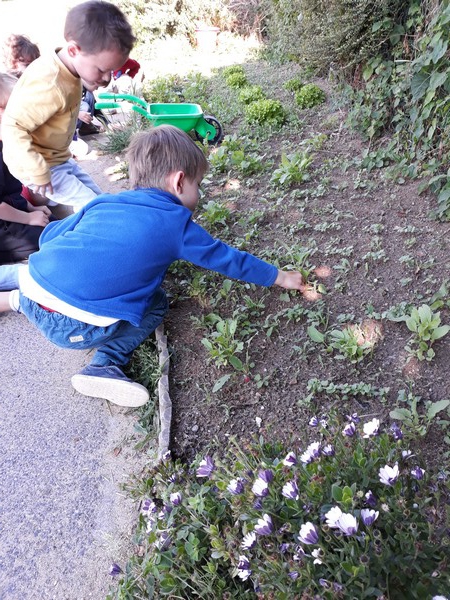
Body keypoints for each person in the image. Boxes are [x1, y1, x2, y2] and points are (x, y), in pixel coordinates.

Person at [0, 125, 307, 408]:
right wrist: (278, 276)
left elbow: (52, 234)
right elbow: (229, 260)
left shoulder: (104, 203)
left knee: (39, 282)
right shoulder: (176, 225)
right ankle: (105, 364)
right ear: (179, 182)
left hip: (36, 284)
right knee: (156, 302)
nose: (198, 194)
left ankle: (13, 297)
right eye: (197, 185)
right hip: (73, 328)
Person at [1, 1, 135, 213]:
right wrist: (38, 172)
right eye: (102, 70)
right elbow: (12, 127)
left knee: (100, 200)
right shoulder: (49, 83)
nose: (107, 79)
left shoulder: (71, 67)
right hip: (37, 163)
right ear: (74, 50)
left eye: (111, 71)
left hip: (58, 158)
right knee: (92, 207)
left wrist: (92, 79)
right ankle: (94, 240)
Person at [0, 72, 53, 265]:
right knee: (50, 239)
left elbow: (11, 194)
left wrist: (33, 208)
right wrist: (29, 218)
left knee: (54, 224)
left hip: (14, 216)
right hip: (5, 227)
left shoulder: (6, 144)